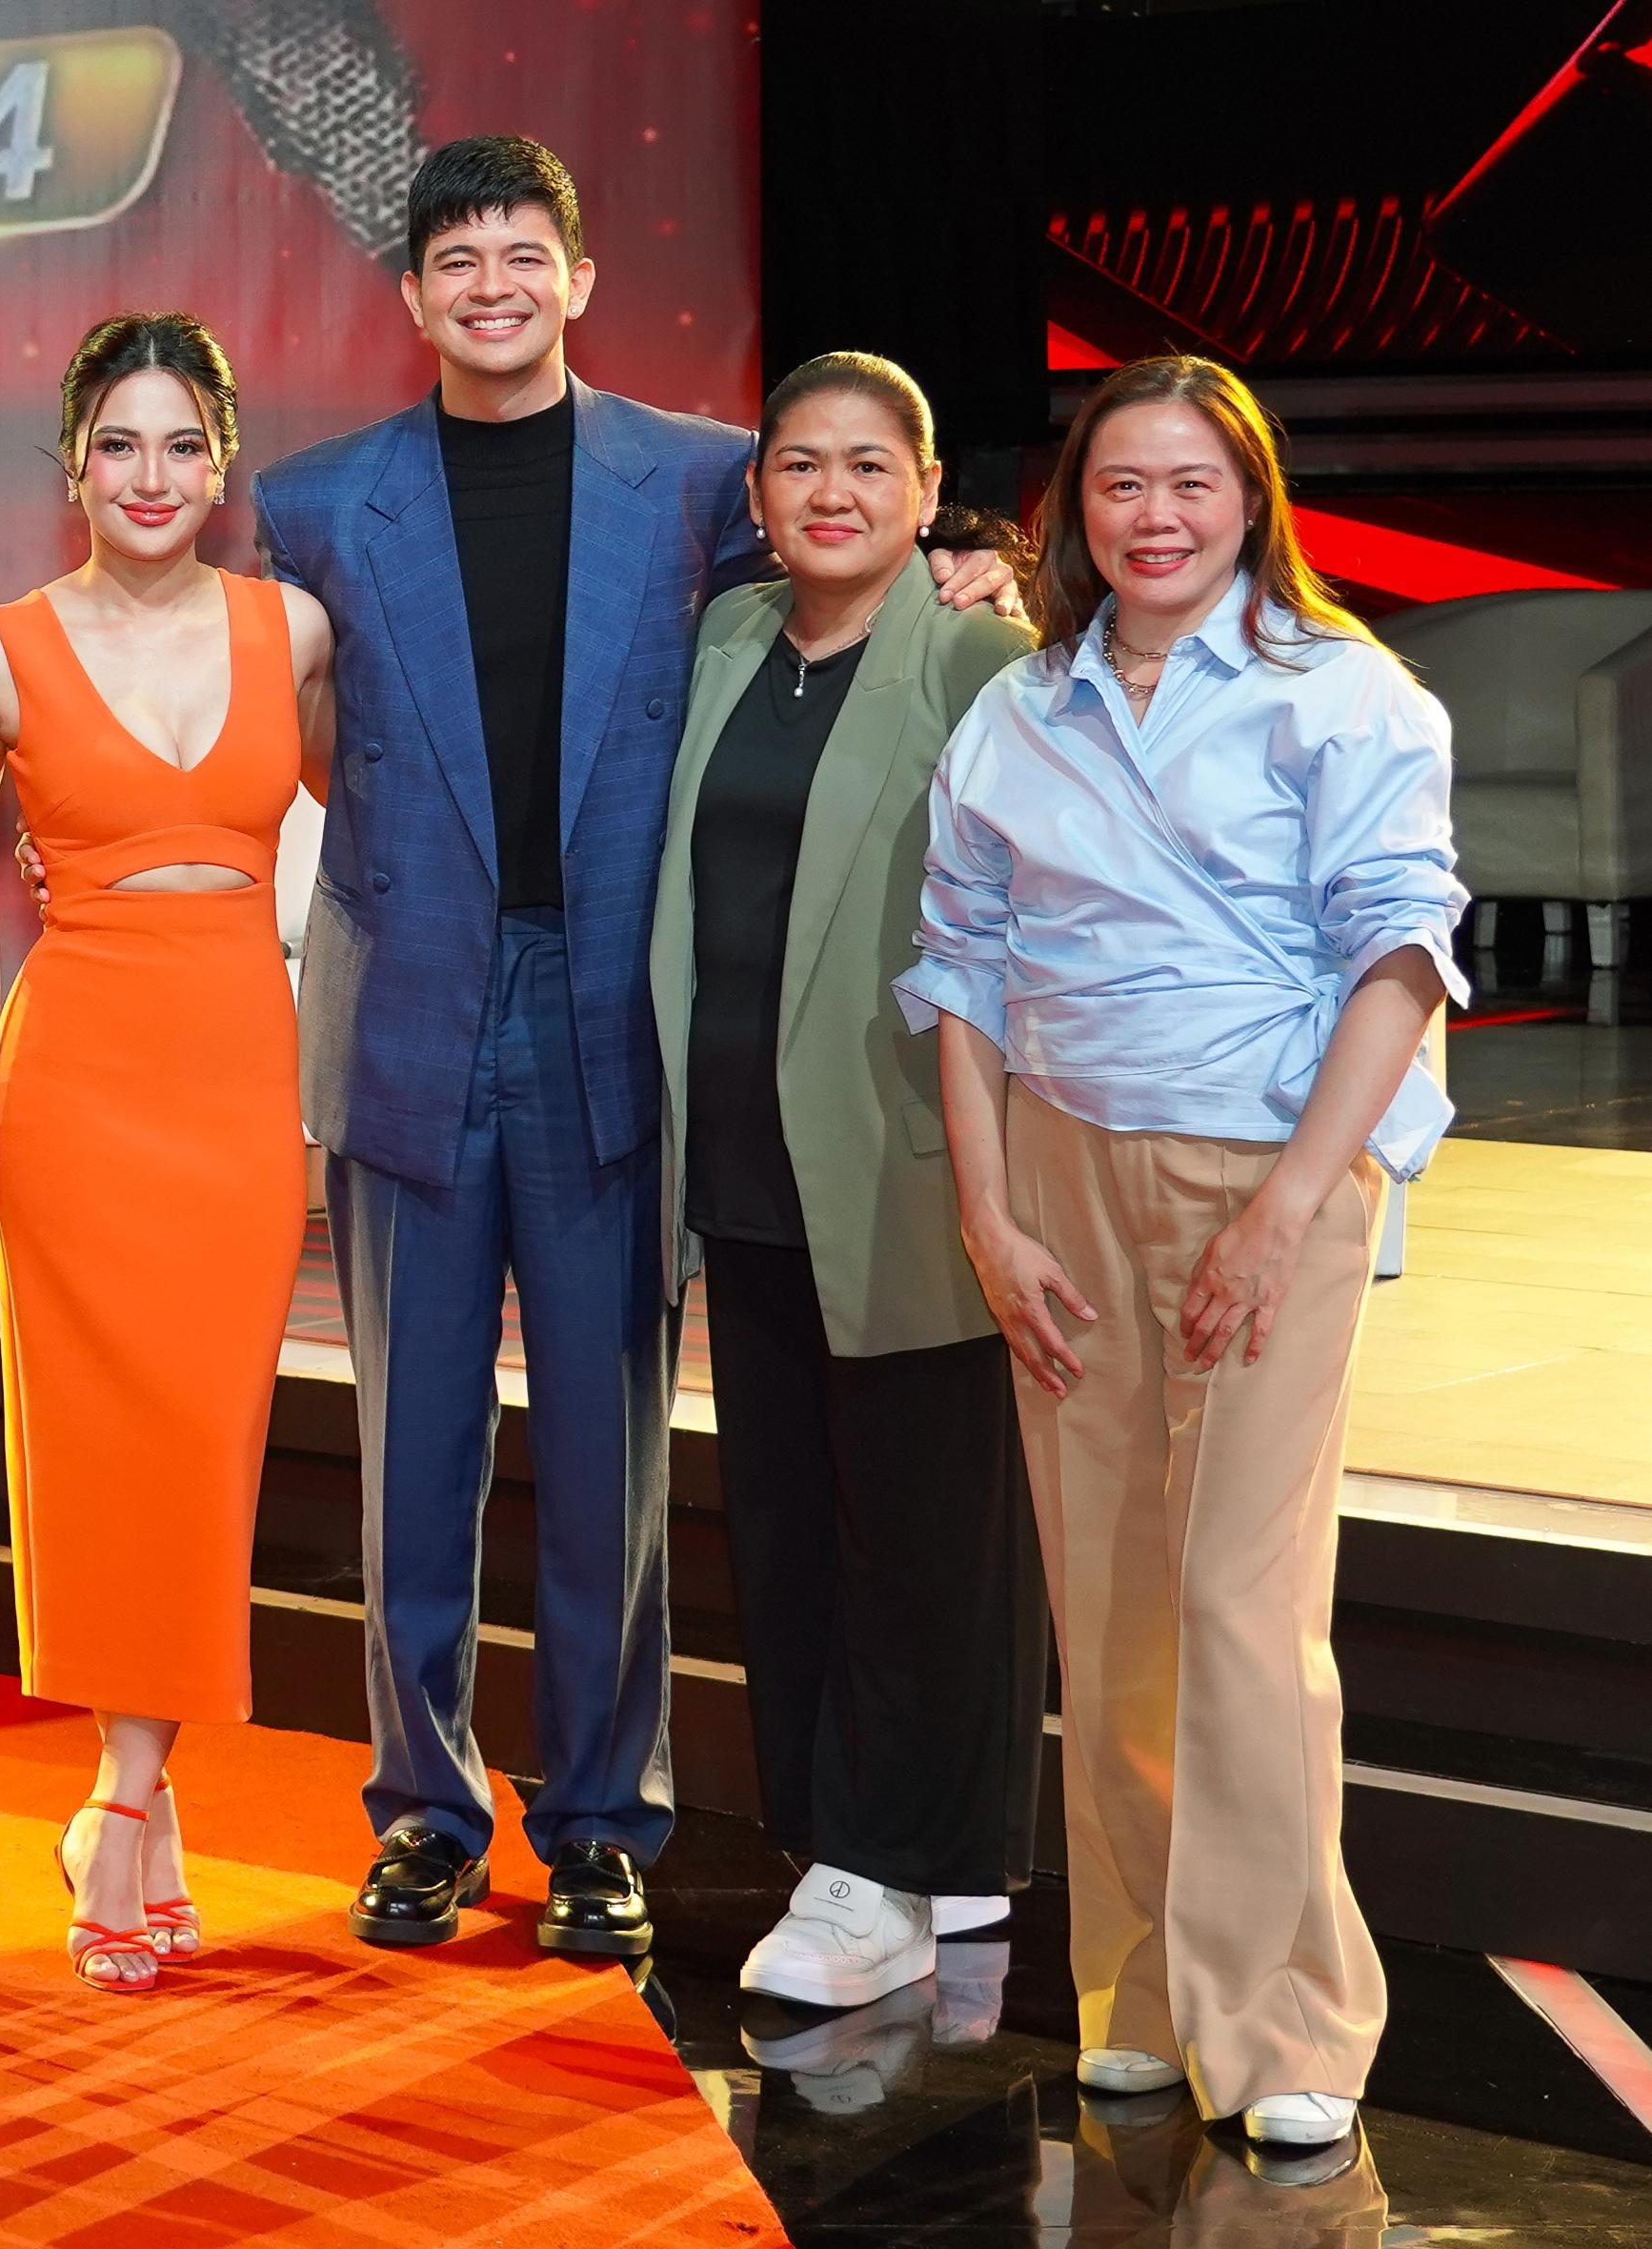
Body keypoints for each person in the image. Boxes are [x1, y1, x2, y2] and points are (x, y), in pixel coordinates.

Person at [251, 137, 1015, 1956]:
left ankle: (601, 1816)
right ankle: (422, 1807)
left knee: (609, 1449)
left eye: (524, 253)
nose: (491, 285)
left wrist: (971, 572)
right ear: (411, 292)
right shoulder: (316, 499)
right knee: (409, 1443)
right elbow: (282, 724)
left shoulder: (692, 478)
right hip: (411, 1009)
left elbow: (845, 578)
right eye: (456, 259)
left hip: (612, 1019)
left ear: (577, 279)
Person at [901, 354, 1461, 2154]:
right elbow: (960, 970)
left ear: (1250, 502)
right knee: (1110, 1601)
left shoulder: (1340, 692)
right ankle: (1134, 1988)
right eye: (1118, 484)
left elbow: (1400, 955)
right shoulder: (1020, 709)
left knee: (1236, 1601)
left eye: (1189, 485)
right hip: (1057, 1167)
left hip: (1265, 1171)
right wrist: (989, 1217)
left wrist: (1289, 1206)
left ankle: (1286, 2017)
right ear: (1073, 509)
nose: (1152, 518)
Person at [642, 355, 1043, 2010]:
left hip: (907, 1156)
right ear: (754, 495)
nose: (830, 492)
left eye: (868, 464)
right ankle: (874, 1845)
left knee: (927, 1527)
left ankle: (892, 1864)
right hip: (745, 1155)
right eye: (798, 462)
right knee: (794, 1521)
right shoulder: (724, 642)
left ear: (926, 491)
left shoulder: (977, 657)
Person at [0, 315, 330, 1992]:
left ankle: (129, 1792)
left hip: (236, 1079)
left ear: (222, 463)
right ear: (72, 464)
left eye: (181, 444)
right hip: (73, 1081)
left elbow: (401, 830)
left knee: (204, 1439)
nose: (149, 475)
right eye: (117, 443)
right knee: (96, 1447)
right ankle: (127, 1798)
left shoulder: (293, 628)